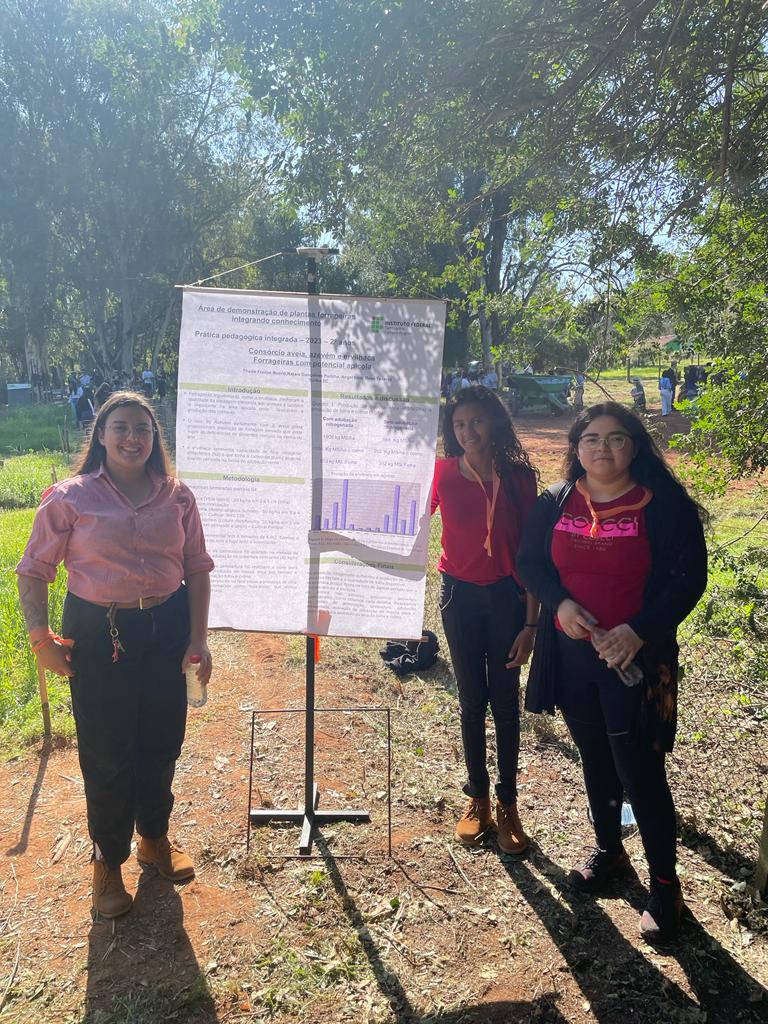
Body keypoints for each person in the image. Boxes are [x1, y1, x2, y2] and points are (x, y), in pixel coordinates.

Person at [16, 391, 214, 920]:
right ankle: (107, 861)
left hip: (167, 628)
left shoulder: (177, 496)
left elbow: (197, 567)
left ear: (155, 438)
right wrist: (40, 639)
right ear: (100, 435)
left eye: (142, 429)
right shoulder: (69, 497)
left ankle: (153, 838)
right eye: (121, 427)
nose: (132, 438)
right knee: (107, 751)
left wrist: (198, 638)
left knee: (162, 739)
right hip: (99, 631)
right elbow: (33, 570)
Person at [518, 402, 707, 941]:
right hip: (572, 659)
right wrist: (559, 604)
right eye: (592, 438)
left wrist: (638, 630)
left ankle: (666, 887)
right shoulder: (555, 502)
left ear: (635, 446)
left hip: (633, 661)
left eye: (616, 438)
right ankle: (610, 853)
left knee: (639, 771)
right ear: (576, 447)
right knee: (595, 757)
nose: (603, 448)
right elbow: (530, 563)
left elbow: (689, 579)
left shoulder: (663, 504)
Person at [431, 385, 539, 854]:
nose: (468, 431)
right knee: (472, 701)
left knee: (506, 703)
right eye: (459, 424)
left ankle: (508, 804)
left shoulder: (519, 479)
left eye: (475, 421)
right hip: (458, 597)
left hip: (507, 600)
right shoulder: (441, 474)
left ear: (494, 422)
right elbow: (405, 519)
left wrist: (531, 625)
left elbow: (533, 556)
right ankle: (477, 798)